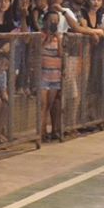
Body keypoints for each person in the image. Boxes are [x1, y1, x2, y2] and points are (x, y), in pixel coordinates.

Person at [39, 10, 63, 141]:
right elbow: (37, 49)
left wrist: (57, 38)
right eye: (51, 20)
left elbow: (60, 54)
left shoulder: (58, 36)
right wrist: (48, 37)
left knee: (49, 104)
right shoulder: (41, 35)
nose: (53, 23)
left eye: (56, 20)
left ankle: (46, 130)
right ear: (45, 21)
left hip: (54, 74)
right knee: (42, 104)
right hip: (43, 74)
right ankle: (41, 132)